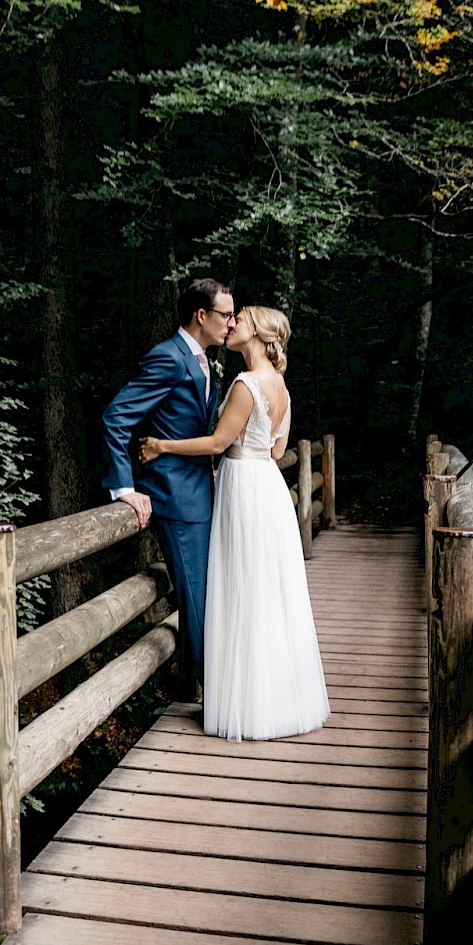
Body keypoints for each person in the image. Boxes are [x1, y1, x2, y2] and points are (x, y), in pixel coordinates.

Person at [138, 305, 329, 741]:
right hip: (269, 488)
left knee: (242, 588)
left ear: (259, 333)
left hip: (243, 487)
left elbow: (219, 442)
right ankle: (277, 701)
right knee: (267, 592)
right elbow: (278, 451)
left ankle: (248, 704)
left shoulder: (246, 383)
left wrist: (162, 446)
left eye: (241, 318)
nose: (233, 323)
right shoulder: (280, 385)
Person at [102, 278, 237, 694]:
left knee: (208, 595)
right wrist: (124, 488)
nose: (231, 323)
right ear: (202, 316)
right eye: (225, 315)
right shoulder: (168, 357)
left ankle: (216, 687)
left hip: (201, 492)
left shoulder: (202, 359)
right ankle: (214, 695)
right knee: (195, 599)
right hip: (175, 497)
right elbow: (116, 416)